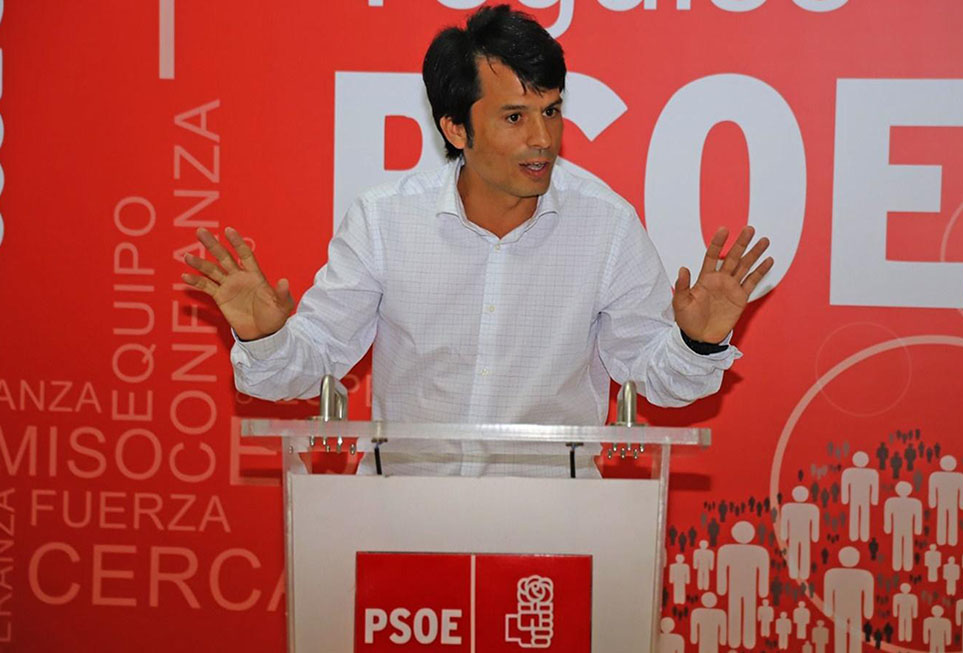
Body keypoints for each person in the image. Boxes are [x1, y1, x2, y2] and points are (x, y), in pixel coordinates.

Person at [181, 5, 772, 475]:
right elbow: (308, 368)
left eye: (551, 111)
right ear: (456, 128)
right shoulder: (385, 221)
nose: (543, 138)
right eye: (515, 117)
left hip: (555, 524)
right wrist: (265, 338)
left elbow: (655, 382)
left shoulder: (607, 225)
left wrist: (698, 345)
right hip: (403, 519)